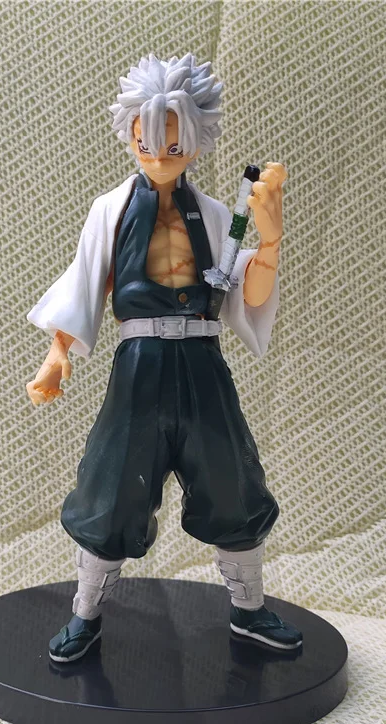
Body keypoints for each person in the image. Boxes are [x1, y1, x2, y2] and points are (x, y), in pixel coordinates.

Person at [26, 53, 302, 662]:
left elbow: (246, 295)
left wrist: (271, 240)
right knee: (112, 484)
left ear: (196, 143)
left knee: (232, 479)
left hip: (202, 364)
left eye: (173, 147)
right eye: (146, 144)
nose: (158, 156)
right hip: (140, 365)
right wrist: (57, 349)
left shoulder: (217, 216)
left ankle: (248, 609)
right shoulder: (111, 210)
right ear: (131, 137)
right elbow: (86, 280)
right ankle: (85, 613)